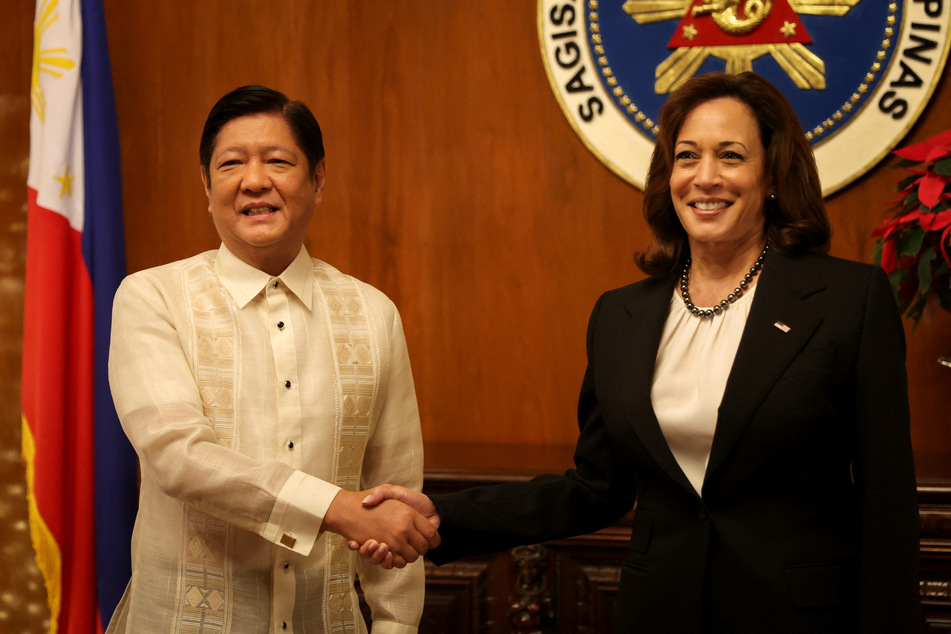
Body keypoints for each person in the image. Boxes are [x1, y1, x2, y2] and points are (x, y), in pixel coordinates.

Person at [352, 72, 921, 632]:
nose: (704, 177)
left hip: (800, 616)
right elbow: (595, 488)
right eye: (687, 156)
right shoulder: (621, 316)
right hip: (659, 610)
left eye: (730, 156)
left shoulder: (849, 301)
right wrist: (443, 516)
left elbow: (885, 501)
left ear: (771, 174)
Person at [106, 85, 437, 634]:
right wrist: (335, 508)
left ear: (318, 179)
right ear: (206, 186)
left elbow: (394, 487)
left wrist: (395, 625)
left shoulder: (373, 313)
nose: (254, 180)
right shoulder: (151, 297)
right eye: (231, 163)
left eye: (278, 161)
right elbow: (177, 455)